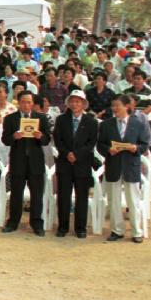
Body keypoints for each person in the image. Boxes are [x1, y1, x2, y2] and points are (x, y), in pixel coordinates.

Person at [98, 95, 150, 243]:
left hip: (131, 166)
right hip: (113, 166)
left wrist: (136, 148)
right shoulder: (106, 125)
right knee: (113, 200)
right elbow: (100, 145)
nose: (114, 109)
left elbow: (145, 143)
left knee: (133, 200)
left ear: (127, 106)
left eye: (117, 105)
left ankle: (136, 231)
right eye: (113, 106)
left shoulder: (139, 123)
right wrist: (109, 150)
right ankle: (117, 230)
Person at [1, 91, 51, 236]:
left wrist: (41, 136)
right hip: (18, 161)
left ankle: (36, 223)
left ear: (33, 104)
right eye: (23, 102)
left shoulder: (41, 118)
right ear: (18, 102)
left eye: (29, 102)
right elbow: (5, 140)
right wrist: (14, 137)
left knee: (37, 195)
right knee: (16, 194)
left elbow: (47, 139)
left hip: (36, 161)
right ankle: (13, 222)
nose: (26, 105)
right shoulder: (10, 118)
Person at [53, 90, 98, 238]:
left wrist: (77, 155)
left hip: (82, 164)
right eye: (72, 101)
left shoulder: (91, 121)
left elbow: (91, 142)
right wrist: (68, 154)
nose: (74, 104)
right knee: (63, 196)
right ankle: (63, 227)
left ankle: (80, 227)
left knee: (82, 196)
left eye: (78, 101)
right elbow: (58, 140)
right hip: (64, 163)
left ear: (83, 104)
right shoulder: (61, 119)